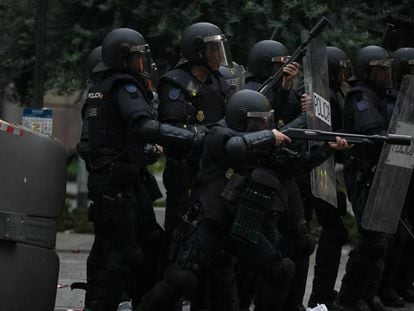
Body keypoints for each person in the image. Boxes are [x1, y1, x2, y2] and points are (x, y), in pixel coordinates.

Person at [80, 27, 203, 311]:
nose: (142, 63)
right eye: (137, 57)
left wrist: (145, 152)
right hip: (117, 184)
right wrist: (193, 138)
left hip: (118, 180)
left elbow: (112, 139)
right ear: (123, 58)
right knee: (121, 253)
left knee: (144, 242)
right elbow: (144, 126)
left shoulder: (100, 89)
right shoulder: (124, 86)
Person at [333, 45, 395, 311]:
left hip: (381, 174)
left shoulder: (380, 95)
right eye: (379, 71)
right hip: (364, 174)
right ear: (366, 72)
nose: (385, 75)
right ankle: (347, 298)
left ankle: (366, 294)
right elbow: (371, 130)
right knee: (372, 239)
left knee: (382, 240)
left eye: (386, 70)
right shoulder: (362, 96)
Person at [306, 46, 352, 309]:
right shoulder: (323, 98)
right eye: (341, 70)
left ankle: (322, 294)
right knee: (330, 232)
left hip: (322, 169)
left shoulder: (330, 94)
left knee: (334, 231)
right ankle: (319, 296)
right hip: (315, 170)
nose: (345, 76)